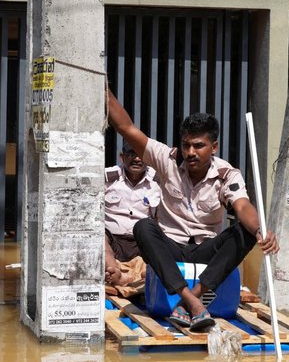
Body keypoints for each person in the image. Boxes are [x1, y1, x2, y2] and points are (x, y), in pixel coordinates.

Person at [106, 88, 278, 332]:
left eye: (199, 146)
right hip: (171, 247)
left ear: (214, 146)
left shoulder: (226, 174)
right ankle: (192, 302)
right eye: (186, 145)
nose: (190, 153)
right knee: (143, 227)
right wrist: (103, 87)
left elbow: (242, 207)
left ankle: (192, 299)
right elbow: (126, 128)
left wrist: (260, 230)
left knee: (244, 232)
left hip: (205, 249)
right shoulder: (168, 160)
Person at [103, 141, 161, 294]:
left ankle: (130, 278)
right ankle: (115, 271)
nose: (137, 159)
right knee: (100, 238)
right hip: (113, 239)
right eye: (131, 154)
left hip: (141, 241)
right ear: (122, 157)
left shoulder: (158, 182)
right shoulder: (107, 177)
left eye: (141, 155)